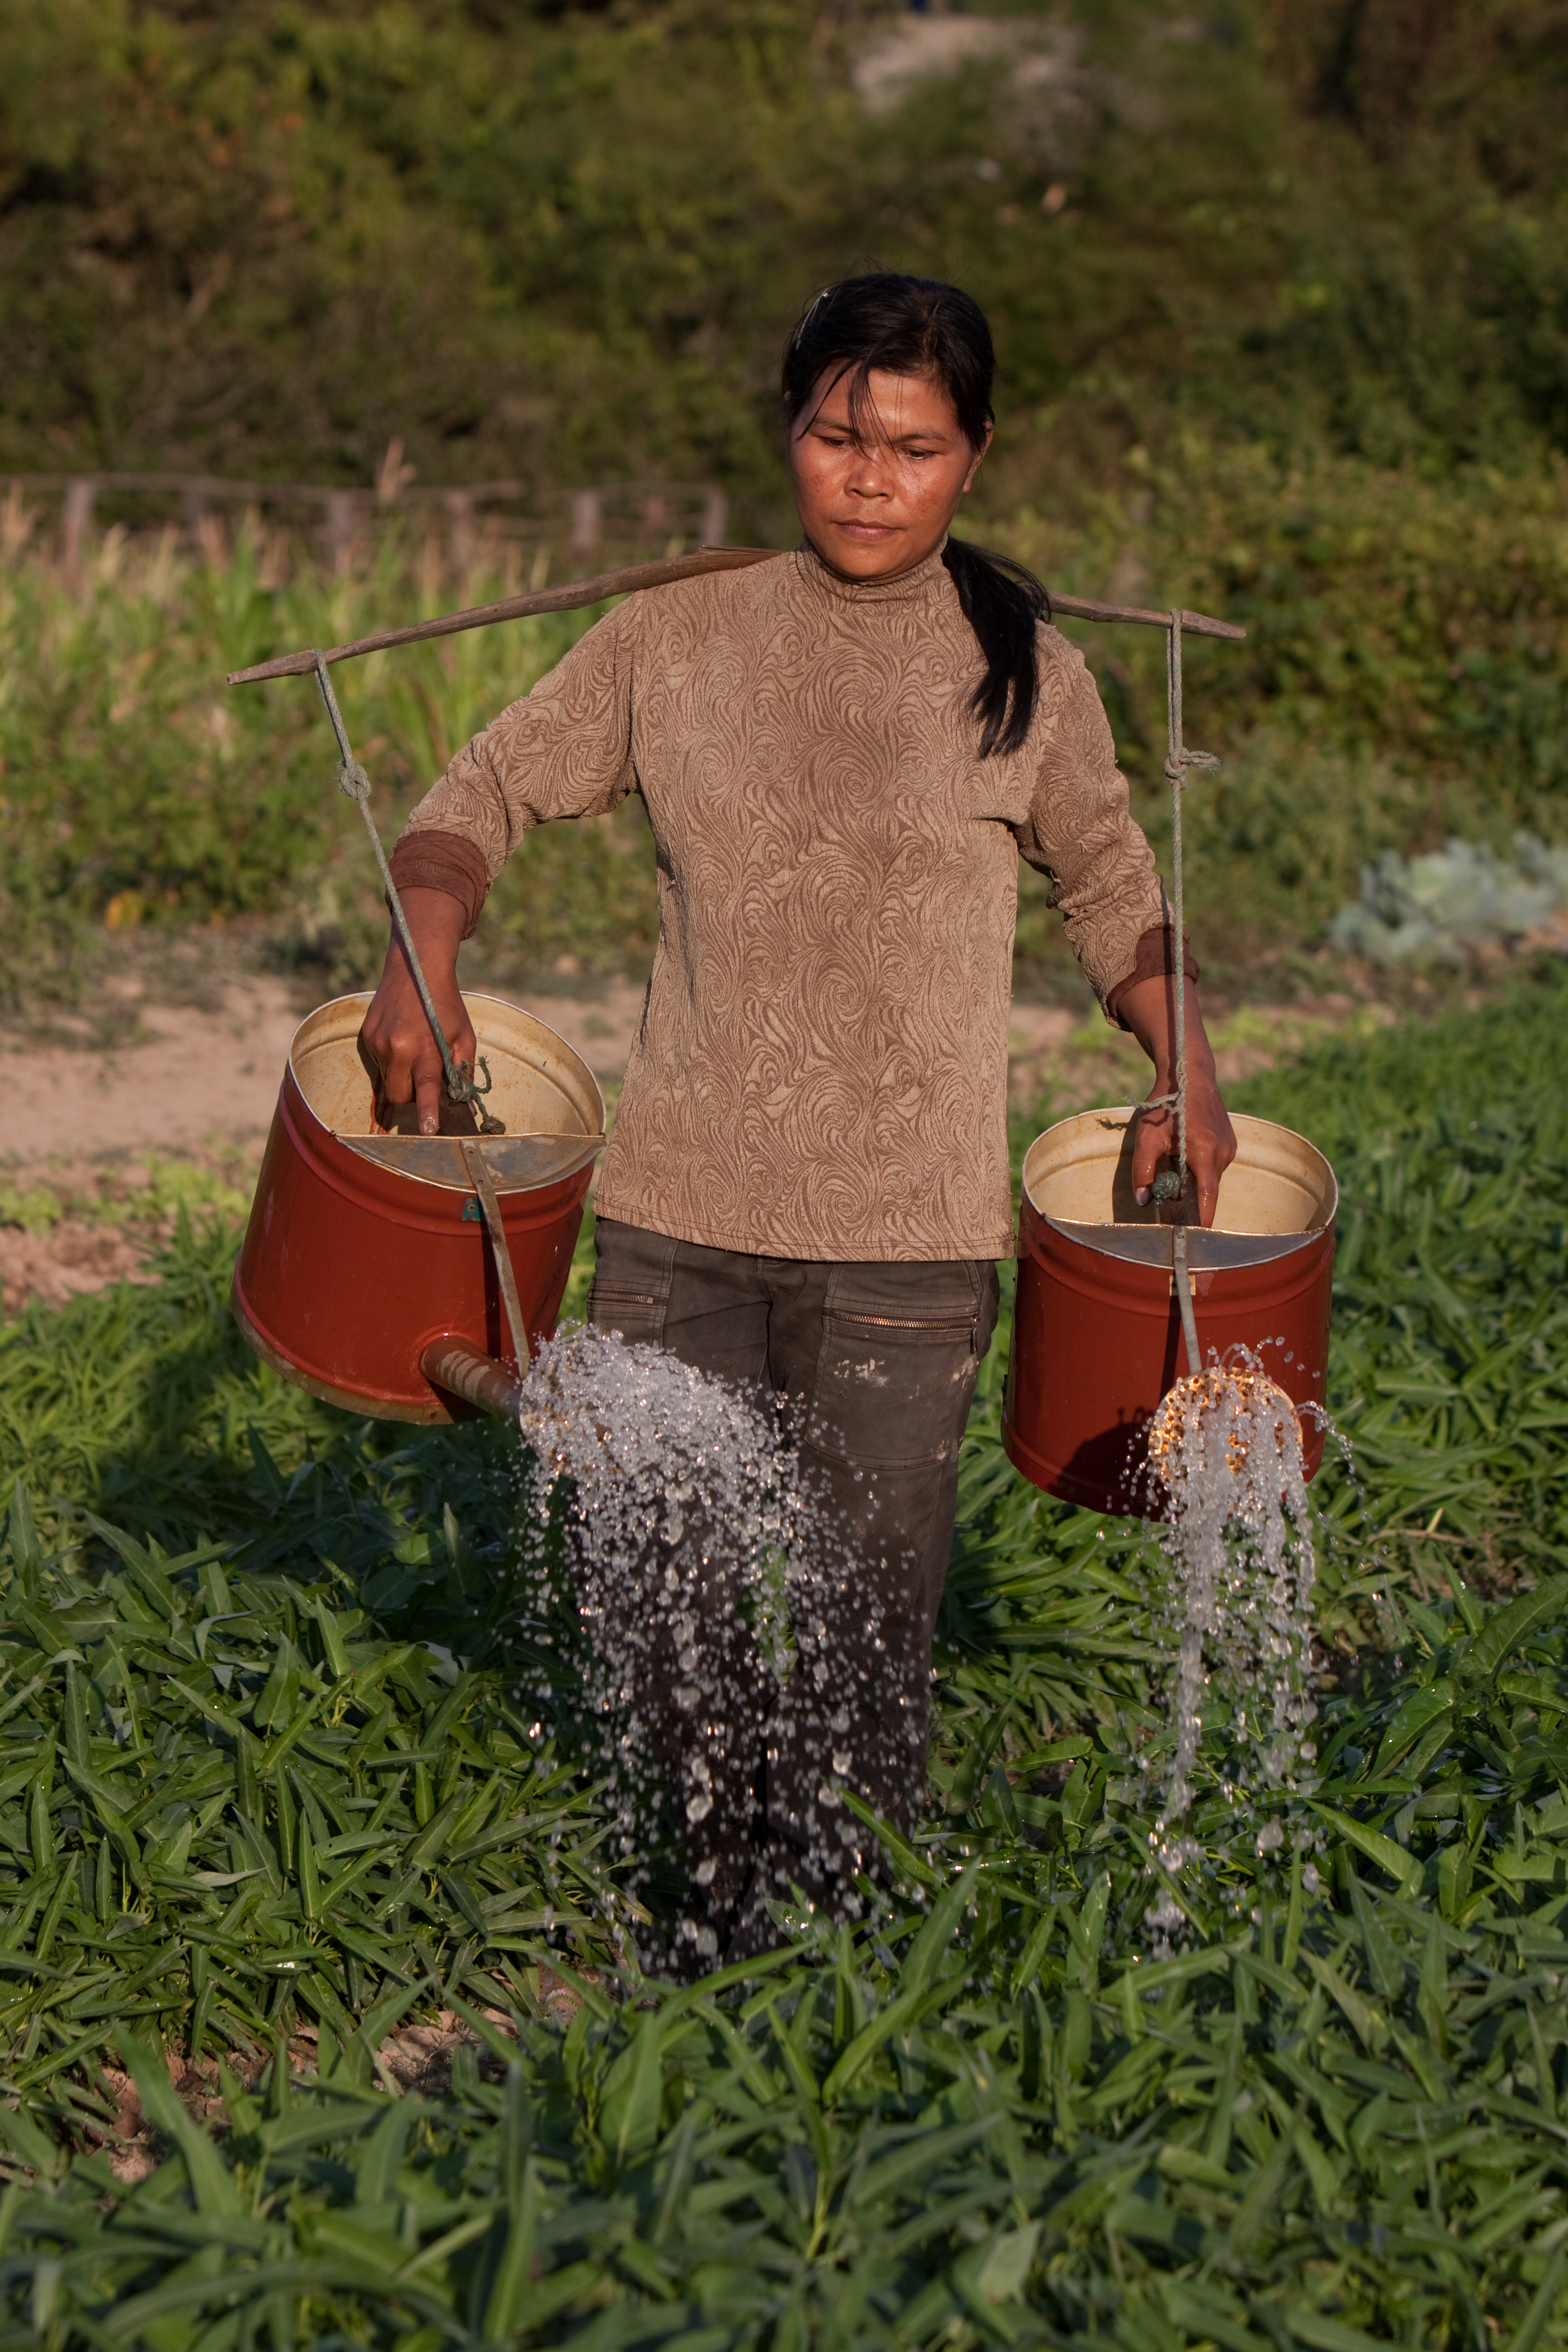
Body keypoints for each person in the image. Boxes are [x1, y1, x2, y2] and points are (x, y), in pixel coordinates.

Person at [360, 271, 1236, 1963]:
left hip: (906, 1245)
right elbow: (484, 787)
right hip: (679, 1217)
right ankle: (699, 1934)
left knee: (860, 1629)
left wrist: (1180, 1054)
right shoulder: (674, 636)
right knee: (656, 1595)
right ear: (789, 431)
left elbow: (1113, 883)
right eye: (839, 437)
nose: (869, 478)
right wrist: (420, 952)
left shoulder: (1030, 676)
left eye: (914, 447)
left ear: (975, 456)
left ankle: (844, 1967)